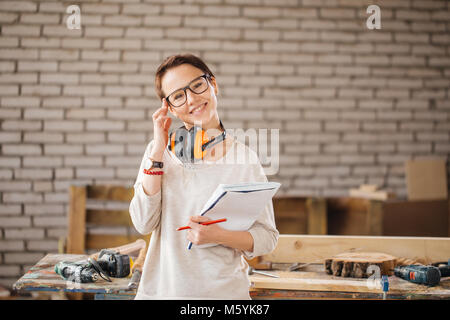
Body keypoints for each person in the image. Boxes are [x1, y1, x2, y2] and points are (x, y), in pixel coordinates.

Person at [129, 53, 279, 299]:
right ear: (171, 109)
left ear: (213, 84)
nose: (192, 99)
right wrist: (157, 152)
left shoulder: (245, 160)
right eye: (178, 96)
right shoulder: (157, 153)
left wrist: (218, 236)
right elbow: (143, 222)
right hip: (163, 293)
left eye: (197, 85)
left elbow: (267, 237)